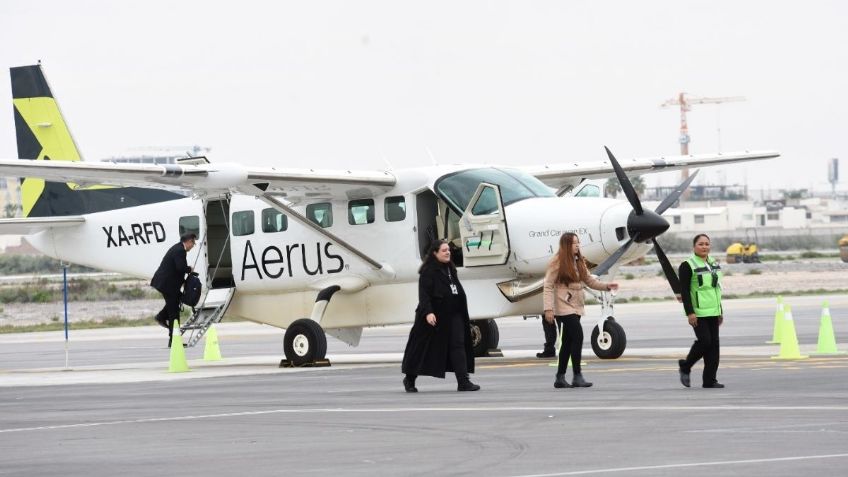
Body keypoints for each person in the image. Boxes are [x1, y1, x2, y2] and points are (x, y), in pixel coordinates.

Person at [401, 240, 480, 392]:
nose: (448, 252)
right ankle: (410, 378)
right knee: (422, 349)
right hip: (433, 317)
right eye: (444, 250)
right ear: (435, 253)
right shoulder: (428, 271)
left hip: (454, 314)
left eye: (448, 250)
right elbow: (424, 295)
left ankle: (463, 382)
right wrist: (429, 313)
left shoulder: (450, 268)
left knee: (458, 346)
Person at [543, 233, 618, 389]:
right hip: (563, 305)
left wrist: (606, 286)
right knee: (578, 336)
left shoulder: (578, 261)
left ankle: (560, 377)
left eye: (578, 243)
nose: (577, 246)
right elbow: (548, 286)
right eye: (573, 243)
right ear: (566, 246)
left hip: (576, 304)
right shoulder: (556, 263)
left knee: (568, 342)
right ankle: (577, 375)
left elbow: (589, 280)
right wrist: (548, 309)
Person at [677, 233, 725, 388]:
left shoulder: (714, 263)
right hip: (698, 312)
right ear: (694, 247)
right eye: (701, 244)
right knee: (705, 341)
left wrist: (720, 311)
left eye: (707, 244)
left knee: (714, 346)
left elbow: (717, 289)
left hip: (713, 311)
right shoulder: (687, 265)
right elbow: (684, 291)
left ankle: (709, 380)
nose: (704, 247)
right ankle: (686, 365)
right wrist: (690, 313)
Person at [150, 232, 196, 346]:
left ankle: (161, 317)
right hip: (167, 285)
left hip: (168, 285)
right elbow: (180, 267)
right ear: (189, 241)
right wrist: (189, 269)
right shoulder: (180, 250)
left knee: (174, 305)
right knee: (174, 312)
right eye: (193, 243)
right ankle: (174, 341)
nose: (193, 246)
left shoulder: (178, 248)